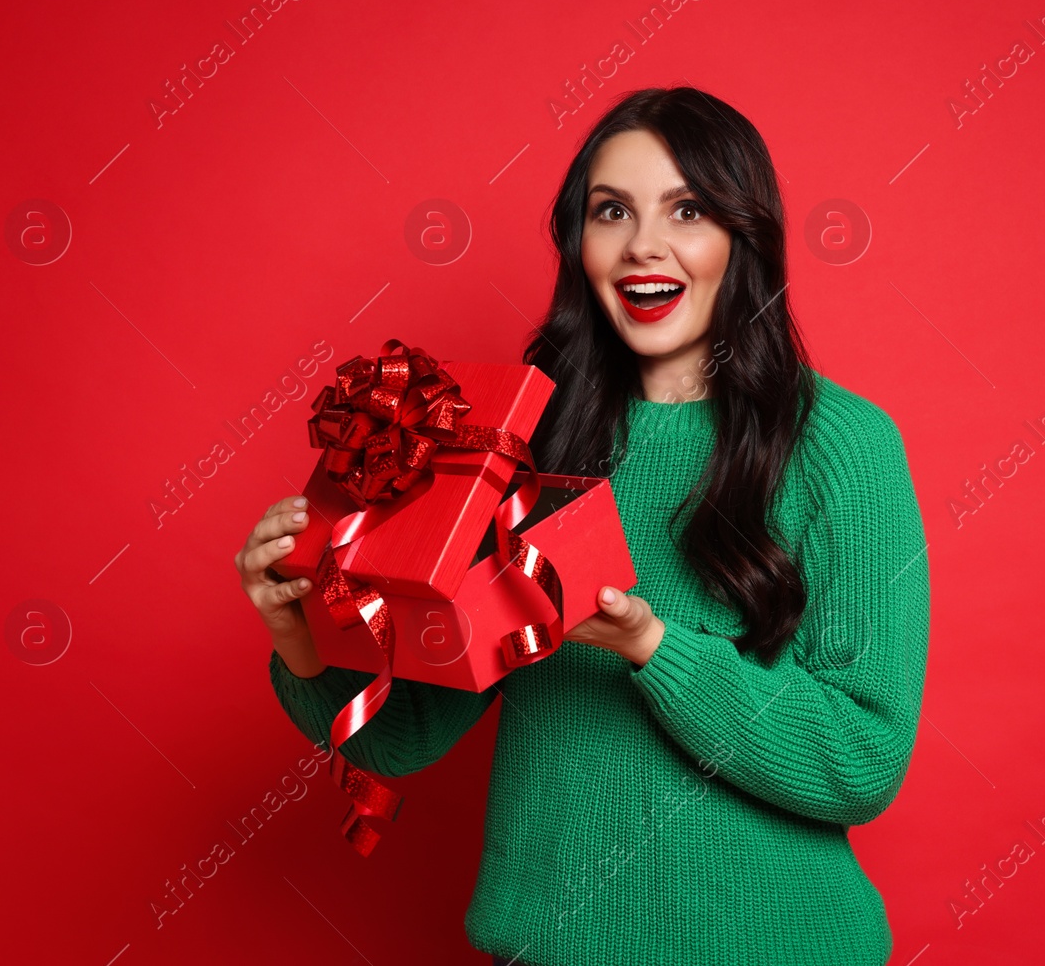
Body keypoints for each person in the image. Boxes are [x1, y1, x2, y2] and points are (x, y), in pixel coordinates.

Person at [235, 87, 930, 966]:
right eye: (612, 211)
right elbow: (404, 736)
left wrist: (653, 646)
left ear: (741, 239)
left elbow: (863, 760)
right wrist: (296, 630)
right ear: (580, 241)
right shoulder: (517, 441)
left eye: (687, 209)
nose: (644, 243)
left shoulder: (843, 446)